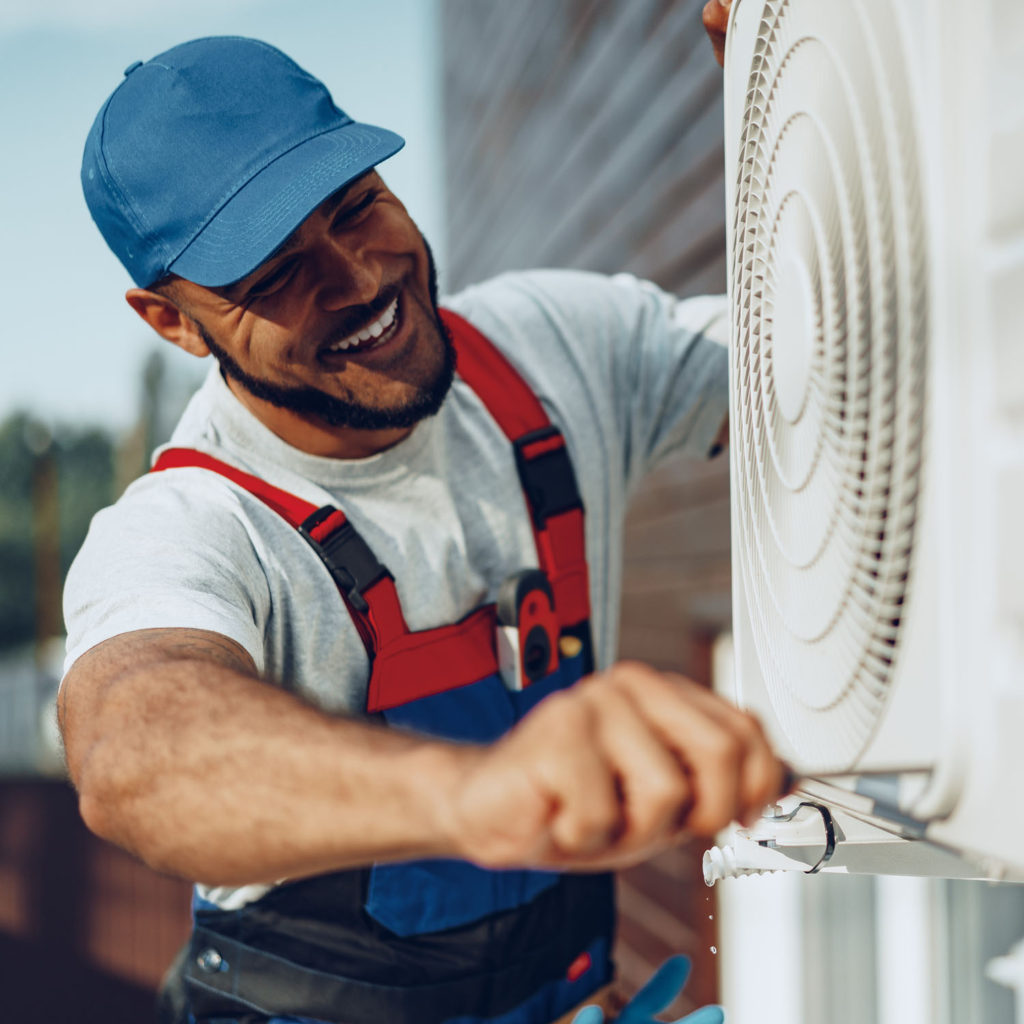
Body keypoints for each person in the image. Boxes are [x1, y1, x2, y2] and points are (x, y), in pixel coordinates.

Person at [60, 20, 776, 1024]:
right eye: (271, 276)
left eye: (355, 207)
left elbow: (830, 365)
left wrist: (780, 103)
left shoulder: (556, 349)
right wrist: (479, 794)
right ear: (171, 321)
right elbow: (136, 751)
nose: (356, 279)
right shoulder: (192, 525)